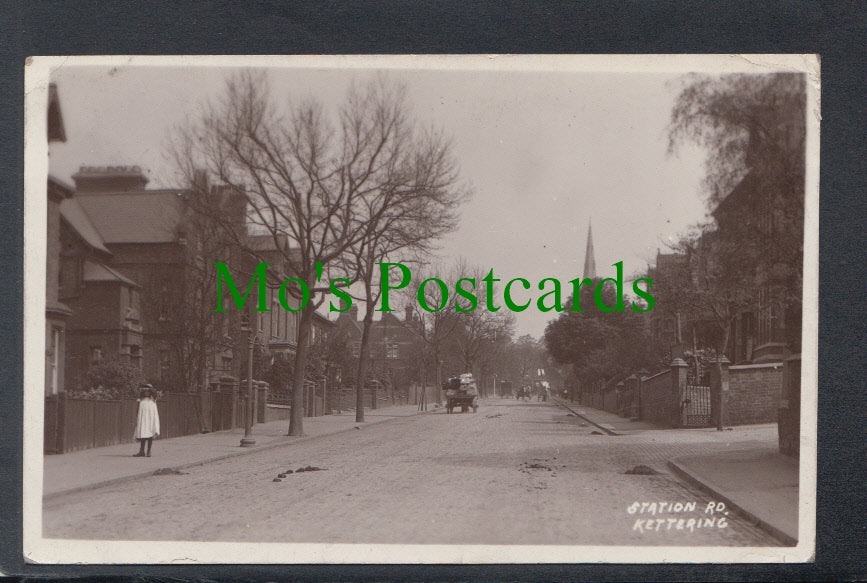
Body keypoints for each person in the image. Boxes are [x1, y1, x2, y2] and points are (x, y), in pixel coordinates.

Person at [133, 385, 160, 457]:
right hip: (143, 420)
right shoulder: (142, 402)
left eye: (147, 392)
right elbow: (138, 411)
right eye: (145, 392)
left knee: (150, 434)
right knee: (143, 434)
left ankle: (148, 451)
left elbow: (155, 413)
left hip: (150, 421)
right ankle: (142, 451)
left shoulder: (152, 402)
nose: (146, 393)